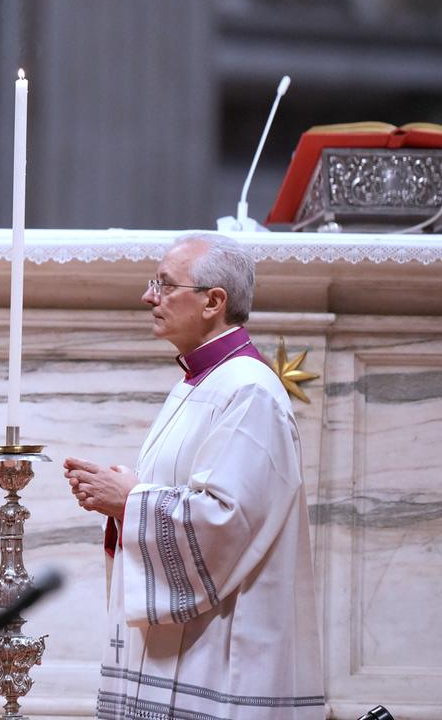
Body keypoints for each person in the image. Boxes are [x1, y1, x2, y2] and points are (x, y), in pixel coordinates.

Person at [64, 233, 324, 720]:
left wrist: (131, 502)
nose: (148, 297)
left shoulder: (249, 390)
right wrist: (129, 489)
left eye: (164, 285)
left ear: (214, 302)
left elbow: (228, 521)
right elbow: (191, 492)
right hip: (186, 646)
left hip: (224, 651)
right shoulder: (198, 382)